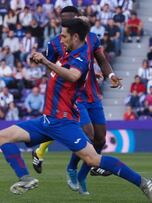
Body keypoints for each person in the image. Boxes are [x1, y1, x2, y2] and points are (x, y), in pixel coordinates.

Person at [0, 18, 152, 202]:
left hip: (62, 122)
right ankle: (26, 179)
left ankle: (144, 183)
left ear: (75, 36)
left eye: (63, 36)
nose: (60, 40)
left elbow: (73, 75)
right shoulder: (68, 55)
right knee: (3, 136)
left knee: (94, 159)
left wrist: (46, 61)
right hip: (46, 121)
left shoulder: (80, 57)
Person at [32, 6, 123, 194]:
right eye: (64, 20)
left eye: (71, 19)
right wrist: (68, 72)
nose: (67, 23)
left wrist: (110, 74)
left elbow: (101, 60)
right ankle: (72, 169)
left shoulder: (92, 38)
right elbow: (49, 69)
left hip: (92, 93)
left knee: (100, 139)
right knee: (88, 135)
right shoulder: (55, 44)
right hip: (74, 96)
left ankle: (81, 175)